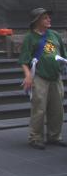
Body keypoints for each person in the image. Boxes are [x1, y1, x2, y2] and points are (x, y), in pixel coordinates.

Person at [18, 8, 66, 150]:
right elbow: (24, 60)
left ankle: (54, 136)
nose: (49, 20)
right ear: (36, 21)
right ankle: (35, 137)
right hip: (39, 77)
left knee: (57, 109)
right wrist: (28, 76)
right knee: (39, 109)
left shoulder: (55, 35)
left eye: (48, 17)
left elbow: (63, 54)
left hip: (55, 77)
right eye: (45, 18)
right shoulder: (30, 38)